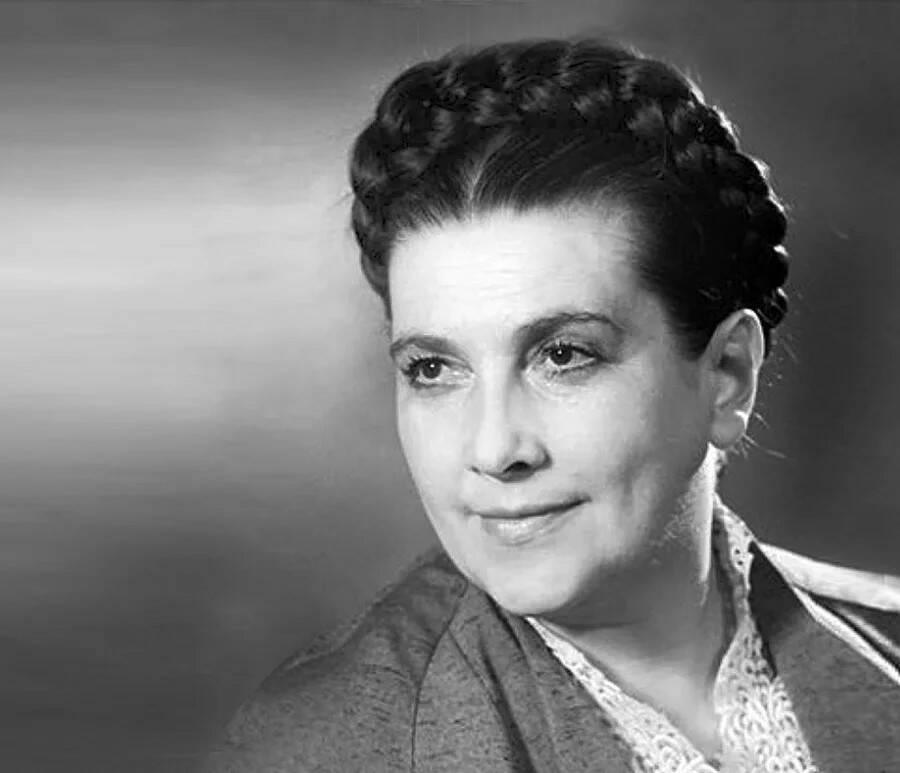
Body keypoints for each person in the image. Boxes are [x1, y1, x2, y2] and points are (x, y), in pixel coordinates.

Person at [205, 37, 900, 772]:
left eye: (563, 355)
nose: (494, 448)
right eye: (434, 368)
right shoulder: (322, 747)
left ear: (727, 374)